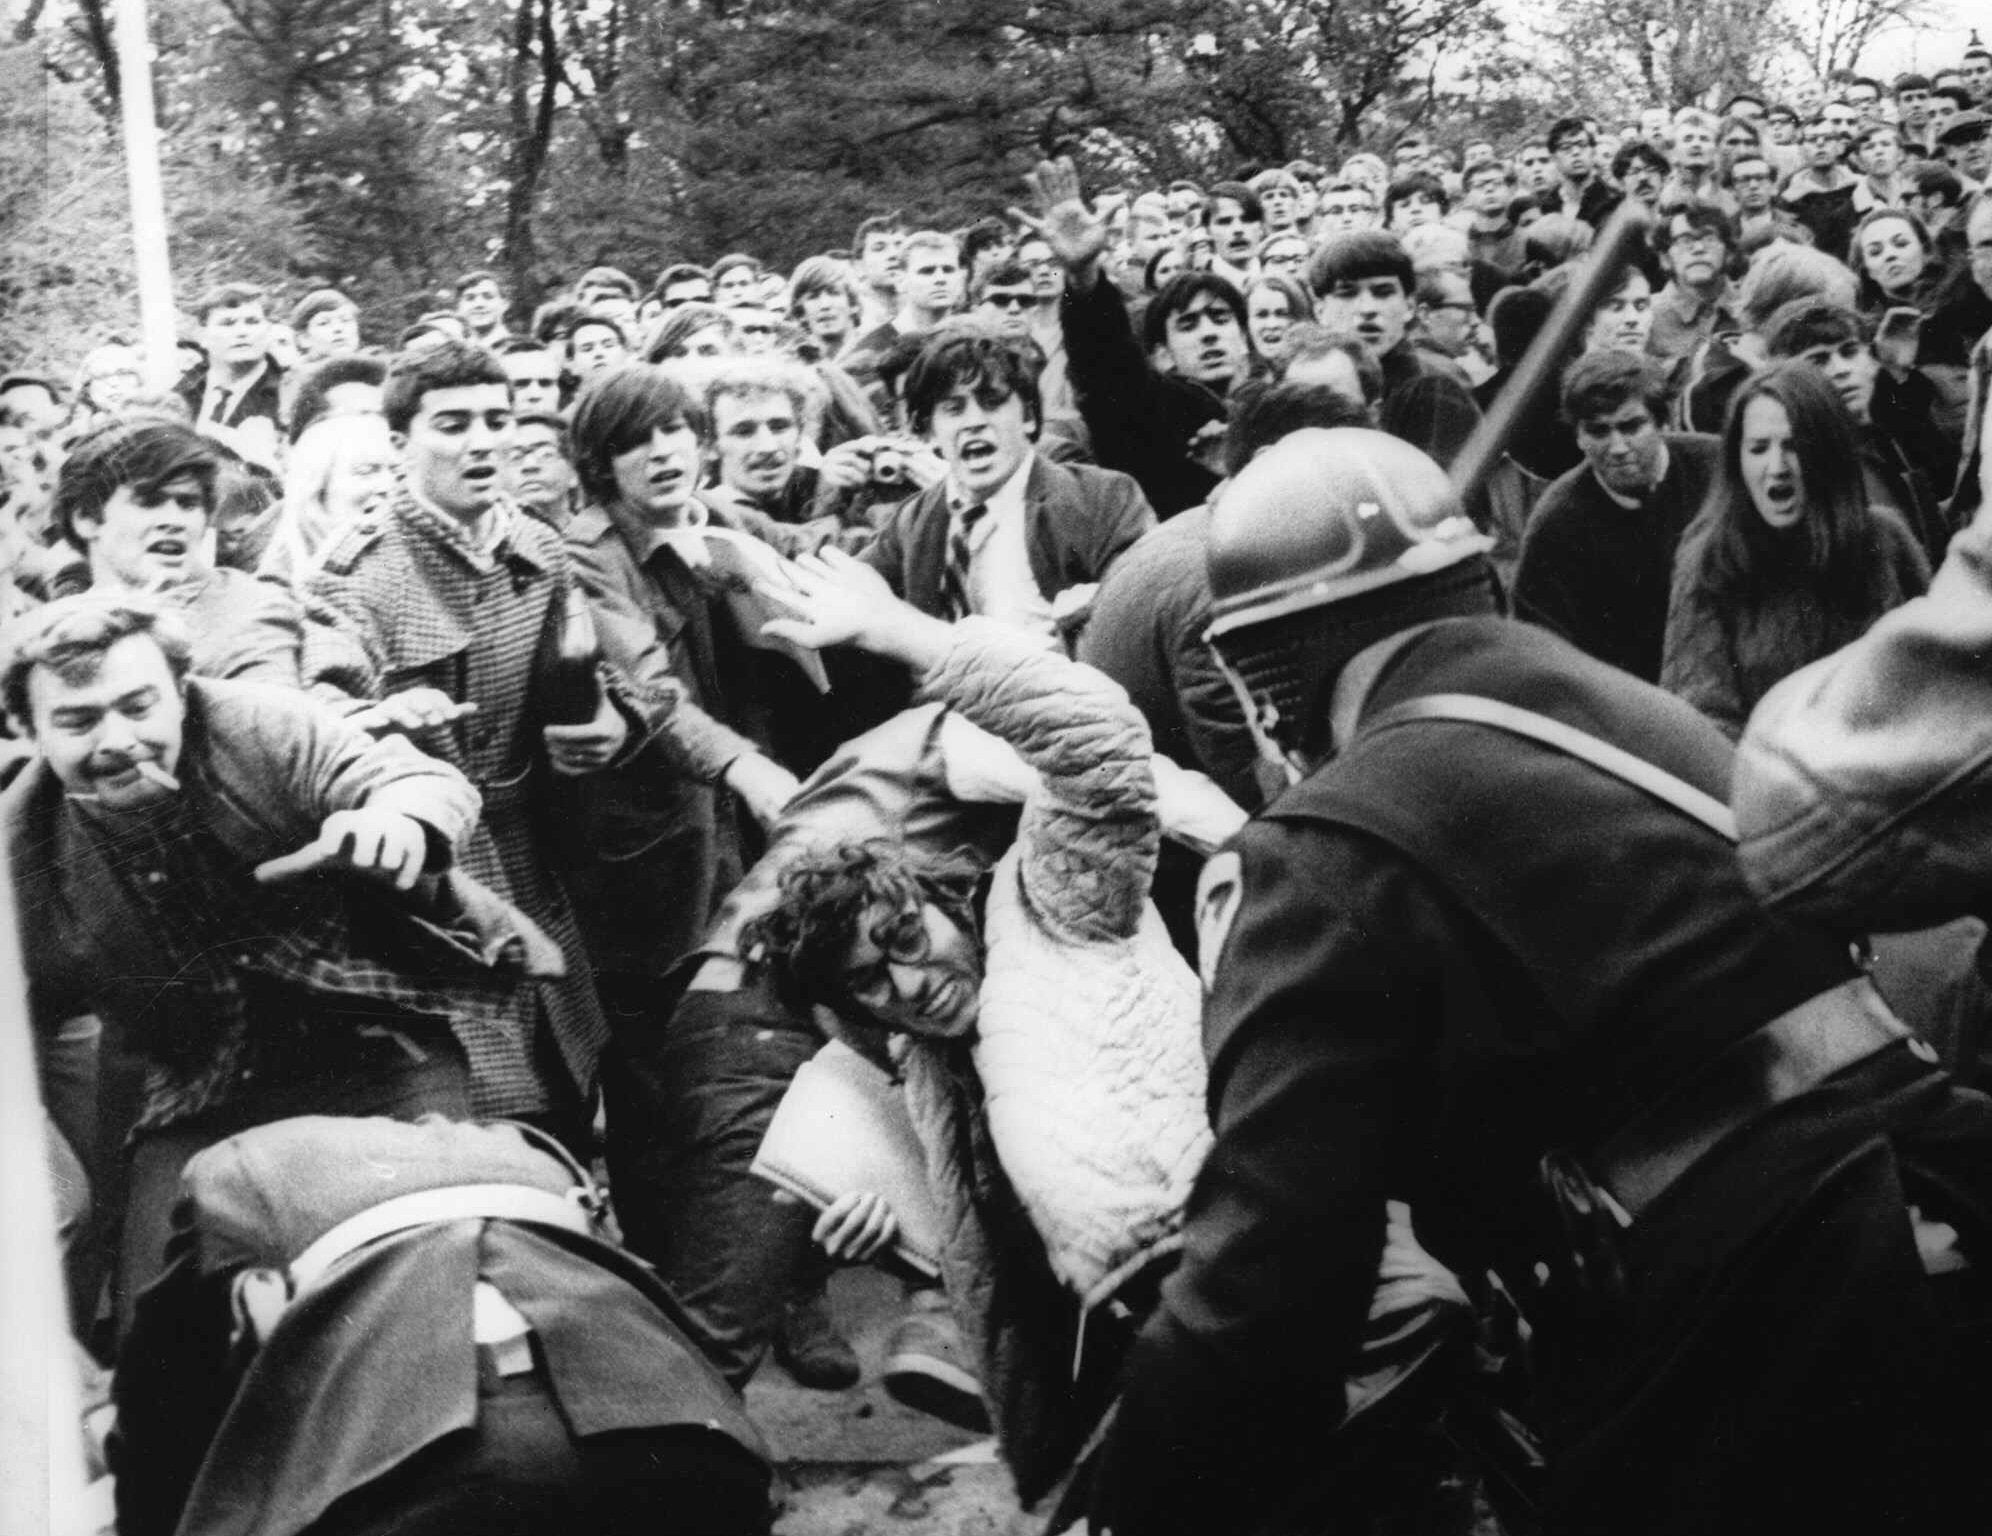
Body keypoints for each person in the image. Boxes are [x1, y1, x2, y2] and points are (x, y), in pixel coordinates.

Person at [1088, 424, 1992, 1536]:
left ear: (1260, 672)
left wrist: (1137, 1498)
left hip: (1751, 1321)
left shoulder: (1317, 852)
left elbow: (1270, 1290)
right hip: (1930, 1186)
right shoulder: (1629, 710)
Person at [743, 552, 1222, 1506]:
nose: (911, 986)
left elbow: (1094, 738)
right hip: (1117, 1347)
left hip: (1228, 1281)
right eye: (871, 982)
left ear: (940, 897)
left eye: (907, 940)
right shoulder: (919, 1060)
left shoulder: (1055, 905)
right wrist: (893, 1228)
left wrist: (901, 634)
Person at [1, 596, 561, 1321]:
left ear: (180, 692)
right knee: (158, 1324)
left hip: (374, 1047)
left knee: (439, 1264)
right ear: (28, 730)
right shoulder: (22, 848)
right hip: (202, 1085)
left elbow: (414, 779)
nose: (119, 741)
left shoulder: (257, 725)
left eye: (139, 706)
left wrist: (395, 822)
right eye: (77, 721)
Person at [112, 1114, 770, 1536]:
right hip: (691, 1450)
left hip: (429, 1481)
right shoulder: (532, 1157)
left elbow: (158, 1412)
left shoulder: (234, 1173)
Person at [300, 340, 639, 1137]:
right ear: (397, 445)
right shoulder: (354, 573)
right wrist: (378, 724)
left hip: (537, 852)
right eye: (452, 424)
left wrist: (608, 720)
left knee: (571, 1078)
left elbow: (590, 665)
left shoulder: (538, 545)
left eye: (498, 420)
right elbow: (323, 702)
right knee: (482, 1104)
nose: (484, 442)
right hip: (431, 877)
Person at [1660, 362, 1929, 737]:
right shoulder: (1709, 557)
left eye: (1793, 447)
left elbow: (1936, 676)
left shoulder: (1885, 538)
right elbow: (1700, 722)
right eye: (1757, 448)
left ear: (1826, 453)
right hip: (1770, 783)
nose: (1776, 468)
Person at [856, 330, 1153, 640]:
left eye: (992, 402)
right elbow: (848, 584)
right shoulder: (913, 520)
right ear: (928, 432)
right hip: (945, 684)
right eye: (954, 409)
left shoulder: (1102, 498)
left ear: (1027, 416)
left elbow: (1143, 609)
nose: (974, 422)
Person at [1022, 157, 1252, 516]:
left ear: (1245, 335)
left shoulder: (1280, 405)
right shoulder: (1149, 412)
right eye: (1188, 324)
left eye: (1220, 317)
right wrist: (1084, 276)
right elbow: (1108, 367)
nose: (1208, 333)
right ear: (1162, 353)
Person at [1513, 350, 1722, 683]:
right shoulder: (1557, 523)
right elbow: (1540, 646)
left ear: (1662, 423)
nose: (1618, 447)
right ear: (1579, 436)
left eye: (1631, 426)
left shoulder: (1718, 468)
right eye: (1599, 431)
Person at [53, 418, 304, 685]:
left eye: (188, 504)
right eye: (149, 502)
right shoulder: (54, 629)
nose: (175, 521)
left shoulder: (249, 609)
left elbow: (267, 716)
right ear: (86, 520)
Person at [262, 412, 399, 583]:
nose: (390, 485)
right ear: (316, 491)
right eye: (366, 470)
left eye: (397, 472)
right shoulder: (274, 594)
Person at [174, 283, 284, 443]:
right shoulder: (180, 394)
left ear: (268, 331)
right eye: (227, 323)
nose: (242, 332)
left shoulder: (288, 392)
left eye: (252, 322)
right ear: (202, 336)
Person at [1542, 116, 1624, 228]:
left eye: (1582, 145)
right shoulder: (1546, 206)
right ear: (1554, 158)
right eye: (1566, 147)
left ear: (1593, 151)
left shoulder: (1614, 202)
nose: (1576, 152)